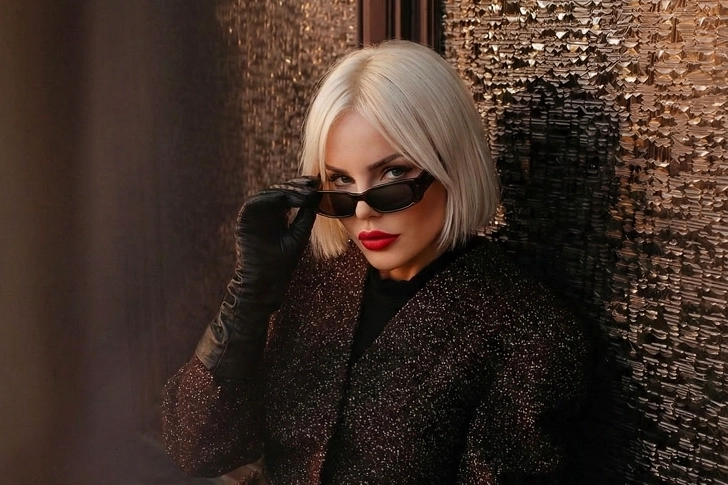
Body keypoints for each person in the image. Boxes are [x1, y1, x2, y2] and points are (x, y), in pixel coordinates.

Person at [161, 40, 589, 484]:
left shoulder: (529, 331)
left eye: (393, 173)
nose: (364, 209)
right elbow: (195, 448)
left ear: (451, 165)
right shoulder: (315, 279)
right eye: (341, 181)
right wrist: (248, 297)